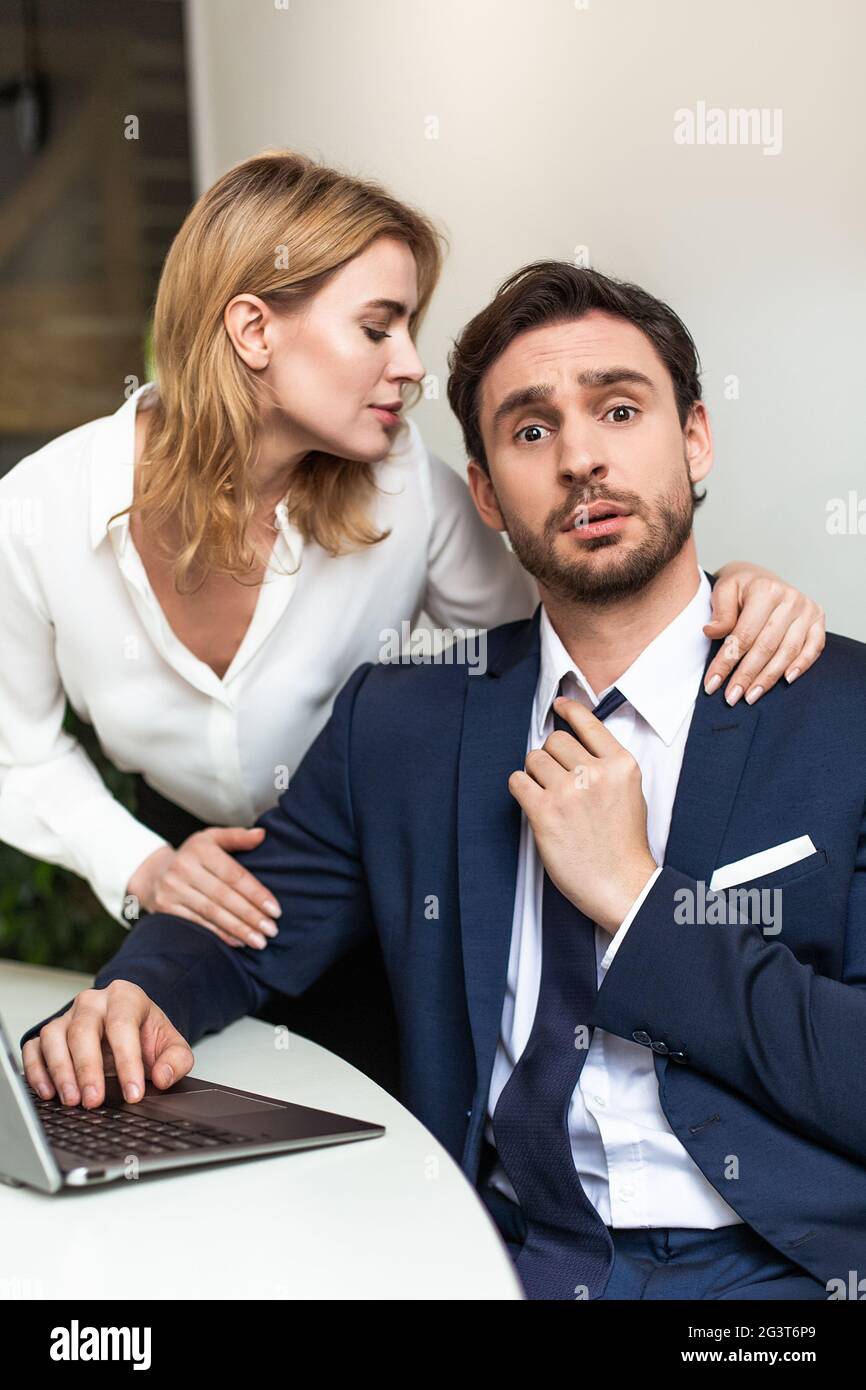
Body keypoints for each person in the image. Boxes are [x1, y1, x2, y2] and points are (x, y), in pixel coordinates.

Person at [21, 261, 863, 1299]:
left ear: (694, 439)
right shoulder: (407, 718)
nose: (581, 459)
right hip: (494, 1251)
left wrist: (639, 903)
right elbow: (250, 918)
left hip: (780, 1272)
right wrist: (140, 992)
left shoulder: (841, 715)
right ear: (483, 494)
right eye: (528, 431)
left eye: (617, 408)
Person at [4, 154, 821, 1091]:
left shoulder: (411, 493)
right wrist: (138, 867)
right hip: (195, 863)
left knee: (390, 1116)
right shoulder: (36, 514)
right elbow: (13, 747)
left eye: (410, 328)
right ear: (253, 328)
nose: (411, 367)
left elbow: (579, 615)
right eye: (377, 327)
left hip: (378, 859)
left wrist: (728, 592)